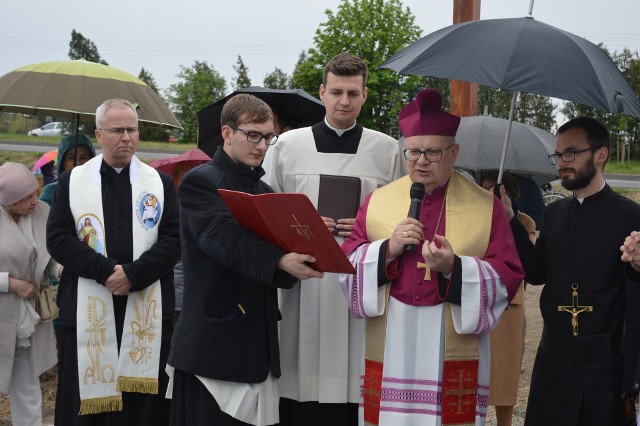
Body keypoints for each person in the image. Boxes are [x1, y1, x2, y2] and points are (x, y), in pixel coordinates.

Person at [339, 88, 524, 425]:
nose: (421, 161)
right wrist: (387, 250)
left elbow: (509, 275)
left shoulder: (486, 208)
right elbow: (346, 263)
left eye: (433, 152)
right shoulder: (378, 201)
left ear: (454, 152)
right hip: (392, 335)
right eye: (413, 151)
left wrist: (455, 267)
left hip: (451, 341)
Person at [261, 52, 406, 425]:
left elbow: (400, 216)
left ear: (364, 95)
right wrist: (304, 227)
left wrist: (363, 226)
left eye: (353, 93)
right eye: (337, 91)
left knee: (354, 375)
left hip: (358, 279)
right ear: (322, 92)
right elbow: (265, 212)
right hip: (302, 279)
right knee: (298, 372)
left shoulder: (387, 150)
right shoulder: (287, 146)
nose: (345, 101)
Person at [167, 94, 323, 426]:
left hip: (257, 343)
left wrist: (308, 244)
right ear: (227, 133)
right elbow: (220, 237)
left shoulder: (266, 192)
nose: (263, 145)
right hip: (214, 345)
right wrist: (280, 259)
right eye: (253, 134)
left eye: (269, 136)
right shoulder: (201, 182)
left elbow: (277, 252)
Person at [46, 99, 181, 426]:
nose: (127, 137)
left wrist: (133, 275)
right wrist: (108, 273)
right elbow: (59, 239)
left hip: (143, 305)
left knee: (140, 407)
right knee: (86, 406)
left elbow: (174, 239)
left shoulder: (158, 183)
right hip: (86, 309)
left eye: (132, 129)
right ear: (99, 134)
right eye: (118, 130)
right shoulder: (73, 182)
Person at [501, 116, 640, 425]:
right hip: (553, 359)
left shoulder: (631, 216)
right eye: (558, 154)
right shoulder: (554, 213)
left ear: (601, 154)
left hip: (604, 366)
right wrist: (511, 219)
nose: (561, 162)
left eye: (571, 153)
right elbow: (537, 274)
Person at [0, 162, 61, 426]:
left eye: (34, 193)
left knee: (27, 380)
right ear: (8, 201)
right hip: (4, 310)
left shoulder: (41, 212)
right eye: (26, 198)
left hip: (27, 316)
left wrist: (60, 269)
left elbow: (48, 254)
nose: (34, 201)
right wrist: (11, 284)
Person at [481, 170, 535, 426]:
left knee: (506, 374)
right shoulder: (475, 216)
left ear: (507, 193)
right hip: (478, 298)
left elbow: (526, 260)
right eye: (483, 187)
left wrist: (508, 218)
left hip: (509, 305)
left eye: (492, 188)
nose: (486, 193)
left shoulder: (524, 222)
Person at [39, 133, 96, 206]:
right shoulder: (51, 192)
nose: (78, 162)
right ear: (62, 162)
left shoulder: (102, 189)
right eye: (71, 158)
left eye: (84, 157)